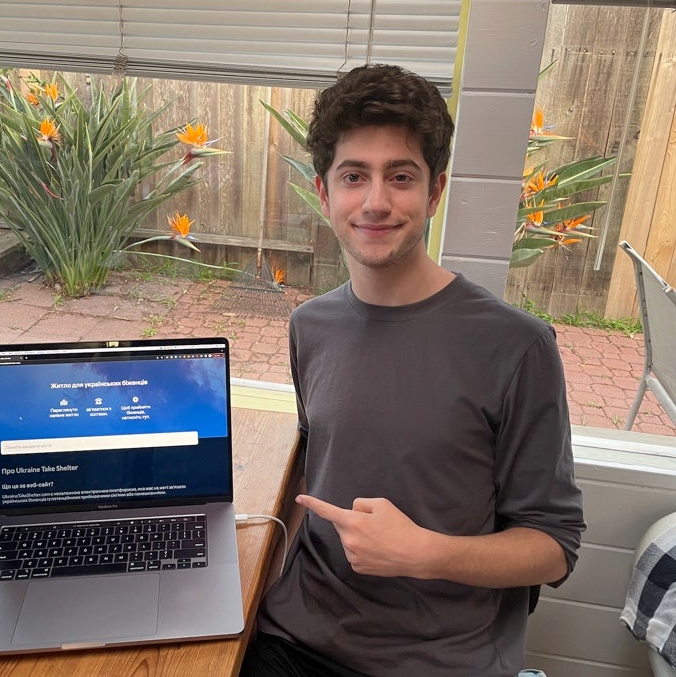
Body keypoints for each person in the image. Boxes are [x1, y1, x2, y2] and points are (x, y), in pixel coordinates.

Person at [240, 64, 586, 677]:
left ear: (434, 192)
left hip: (440, 660)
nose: (376, 201)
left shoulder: (517, 347)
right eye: (354, 177)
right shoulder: (310, 327)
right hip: (294, 640)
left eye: (400, 176)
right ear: (324, 193)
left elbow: (553, 547)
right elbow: (325, 465)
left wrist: (426, 553)